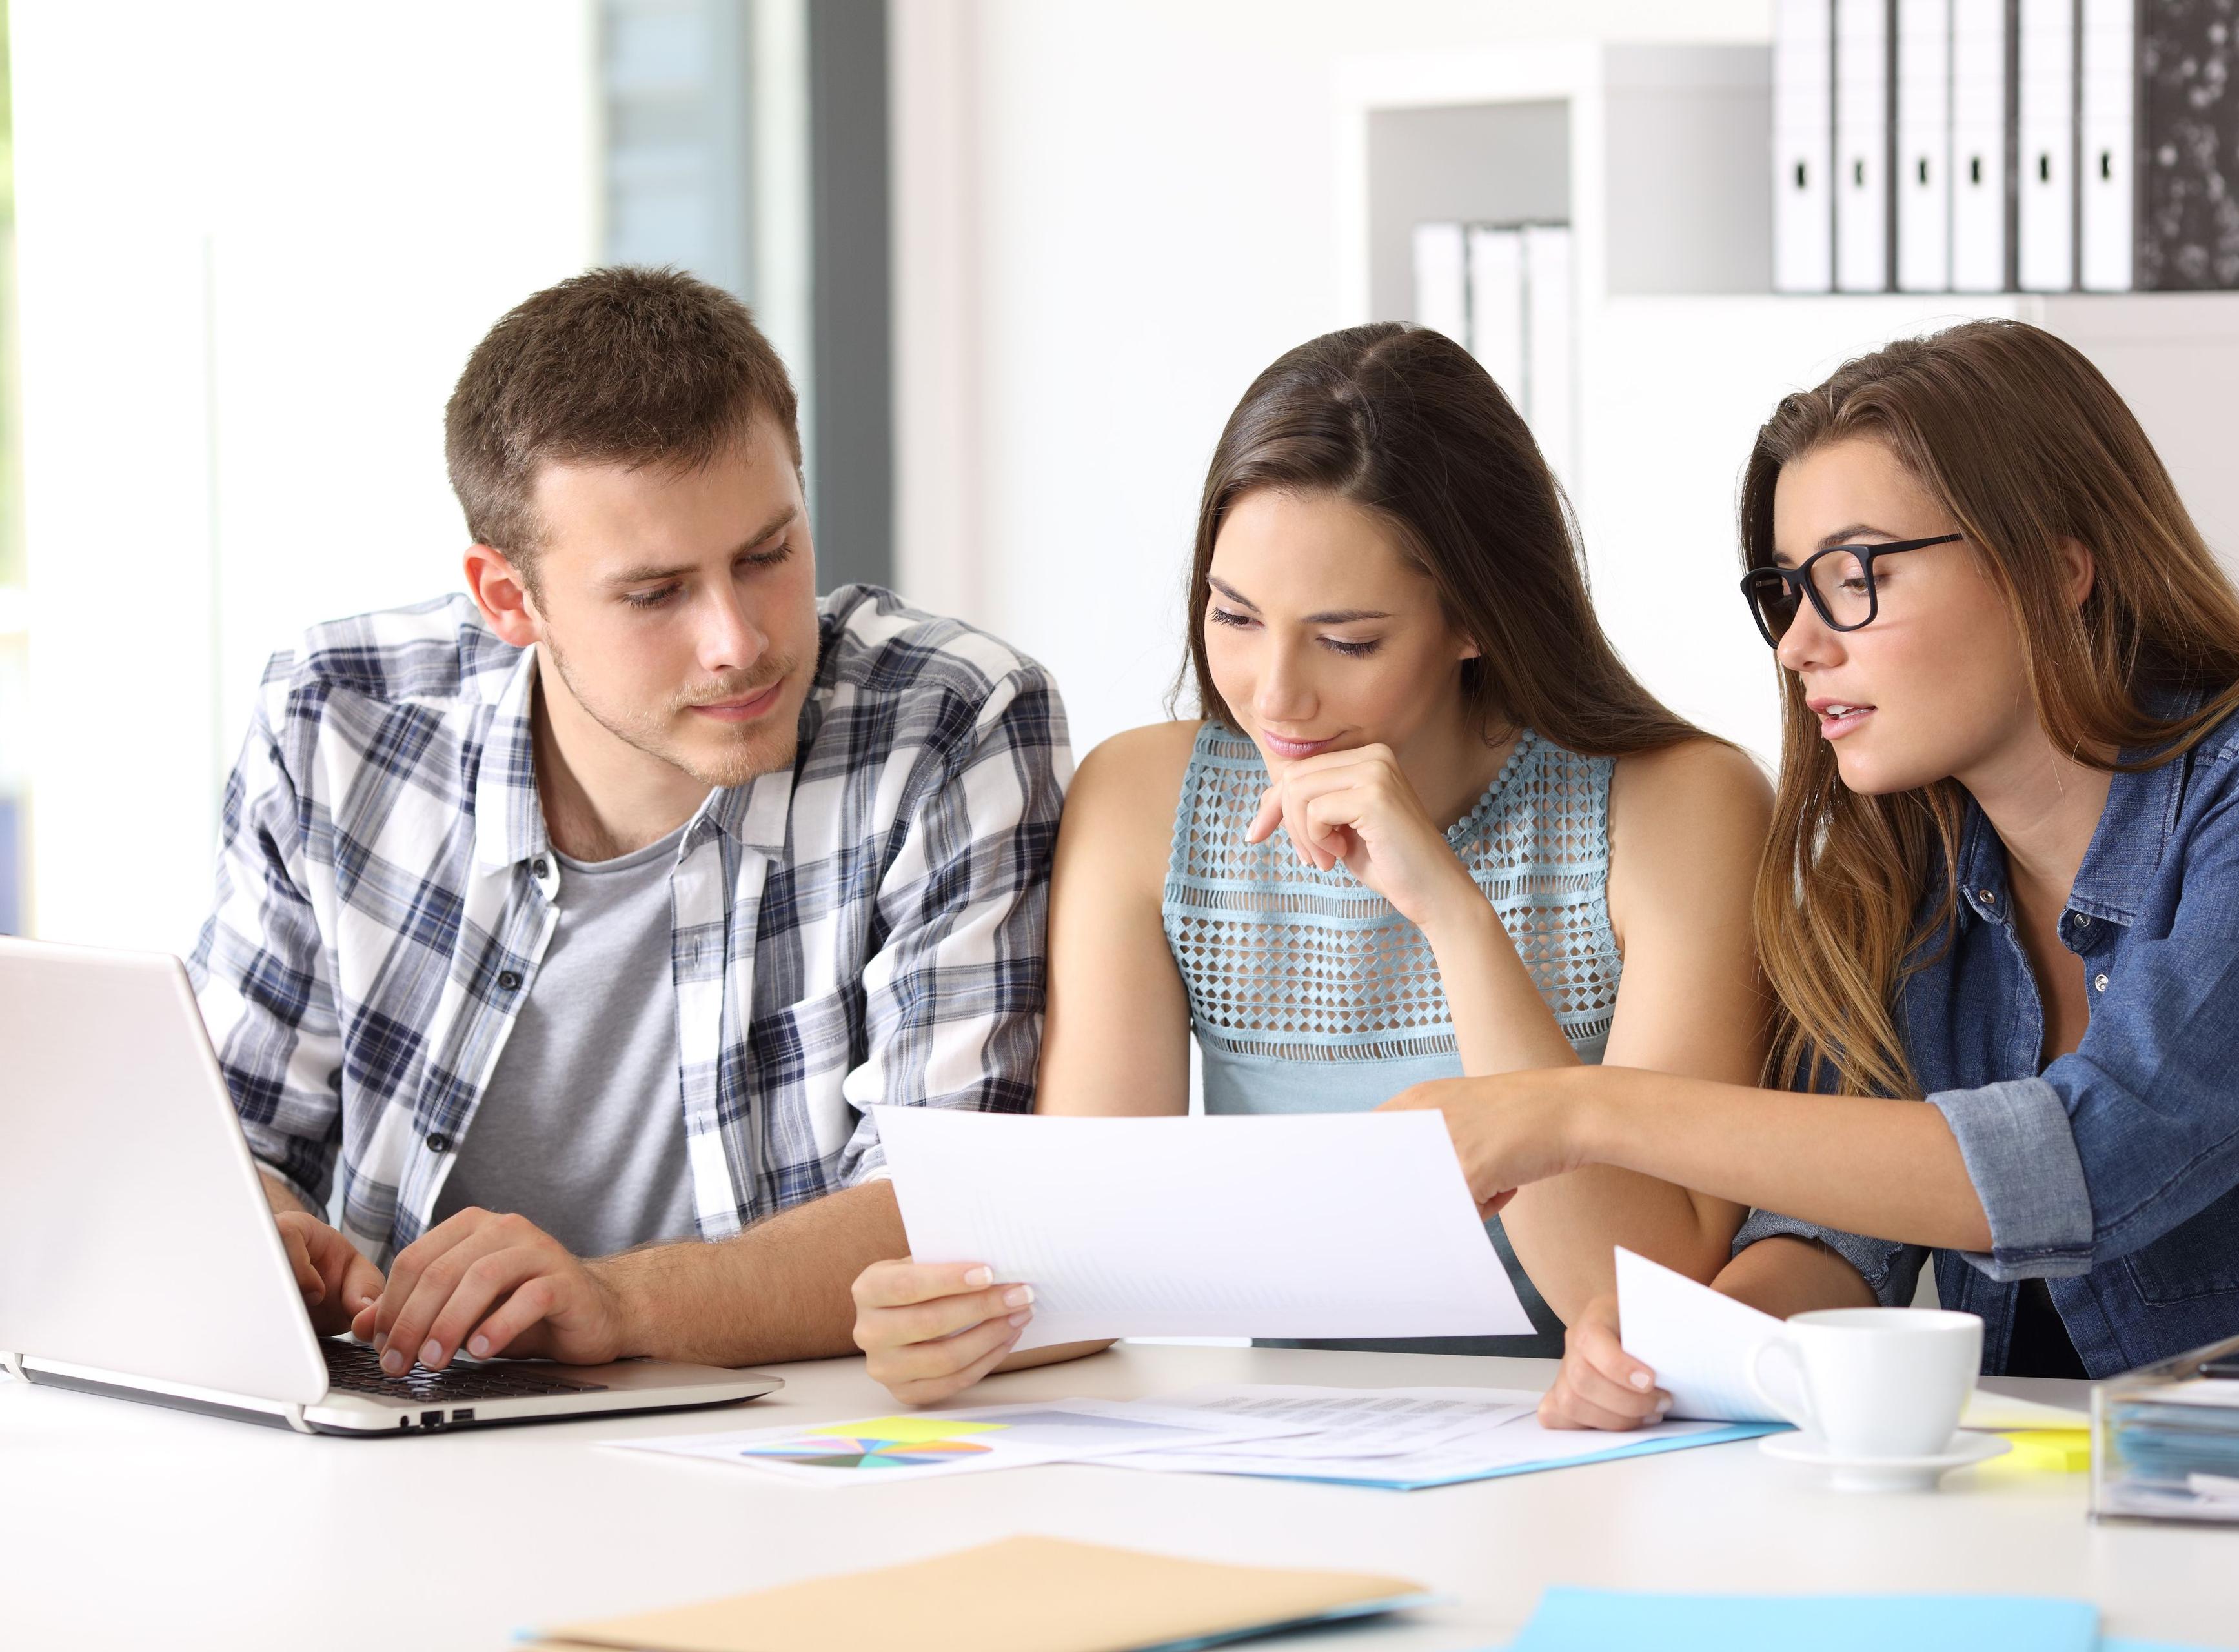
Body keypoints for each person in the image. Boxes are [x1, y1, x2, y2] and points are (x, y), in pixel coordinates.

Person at [1383, 318, 2239, 1428]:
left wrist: (1577, 1110)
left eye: (1857, 575)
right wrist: (1689, 1352)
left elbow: (2084, 1165)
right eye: (1787, 591)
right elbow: (1823, 1245)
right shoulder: (1907, 872)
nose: (1799, 644)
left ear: (2056, 571)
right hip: (2061, 1510)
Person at [850, 322, 1776, 1404]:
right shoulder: (1146, 801)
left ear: (1475, 618)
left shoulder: (1680, 807)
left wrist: (1453, 916)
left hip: (1605, 1445)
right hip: (1295, 1446)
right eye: (1234, 616)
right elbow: (1092, 1261)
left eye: (1347, 642)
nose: (1275, 695)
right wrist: (953, 1321)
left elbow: (1638, 1301)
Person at [188, 267, 1082, 1379]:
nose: (739, 641)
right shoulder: (338, 716)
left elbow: (955, 1198)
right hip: (398, 1430)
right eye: (656, 593)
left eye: (768, 555)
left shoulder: (951, 724)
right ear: (509, 598)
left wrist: (615, 1303)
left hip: (787, 1441)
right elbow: (228, 1131)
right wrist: (259, 1235)